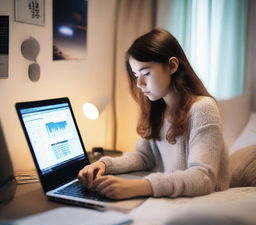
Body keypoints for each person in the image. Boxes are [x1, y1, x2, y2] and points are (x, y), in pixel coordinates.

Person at [78, 28, 230, 200]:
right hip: (176, 200)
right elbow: (144, 157)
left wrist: (139, 186)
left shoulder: (203, 108)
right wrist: (104, 164)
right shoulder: (158, 109)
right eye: (136, 75)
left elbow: (203, 178)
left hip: (204, 204)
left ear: (172, 66)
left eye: (146, 73)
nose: (139, 83)